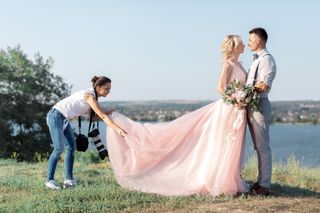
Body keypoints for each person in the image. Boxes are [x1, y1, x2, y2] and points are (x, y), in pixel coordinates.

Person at [106, 35, 249, 196]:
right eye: (241, 42)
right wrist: (235, 99)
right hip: (228, 109)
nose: (244, 44)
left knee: (233, 145)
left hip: (238, 110)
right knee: (223, 144)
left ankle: (230, 179)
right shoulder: (228, 65)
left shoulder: (240, 65)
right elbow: (221, 88)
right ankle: (220, 181)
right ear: (234, 46)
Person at [45, 76, 127, 189]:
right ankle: (49, 181)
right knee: (59, 148)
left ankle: (68, 180)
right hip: (55, 116)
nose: (109, 92)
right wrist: (117, 129)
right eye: (107, 89)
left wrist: (110, 113)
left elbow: (94, 118)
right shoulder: (89, 96)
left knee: (71, 147)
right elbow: (102, 116)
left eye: (109, 89)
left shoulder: (93, 97)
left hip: (63, 119)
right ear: (98, 88)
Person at [246, 27, 276, 195]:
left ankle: (265, 185)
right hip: (251, 106)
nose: (249, 41)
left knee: (263, 147)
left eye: (250, 38)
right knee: (258, 147)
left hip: (260, 105)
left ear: (258, 40)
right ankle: (260, 181)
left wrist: (244, 91)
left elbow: (264, 85)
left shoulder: (267, 60)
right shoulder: (256, 60)